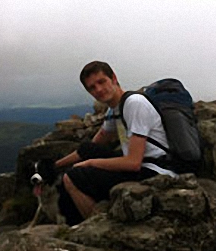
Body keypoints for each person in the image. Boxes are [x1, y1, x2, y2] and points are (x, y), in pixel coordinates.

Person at [55, 61, 177, 225]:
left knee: (71, 177)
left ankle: (95, 227)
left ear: (113, 78)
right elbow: (95, 144)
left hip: (154, 171)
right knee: (87, 152)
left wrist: (89, 164)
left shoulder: (134, 104)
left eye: (101, 82)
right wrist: (56, 165)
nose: (98, 90)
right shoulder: (114, 109)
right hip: (141, 166)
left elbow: (133, 163)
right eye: (92, 88)